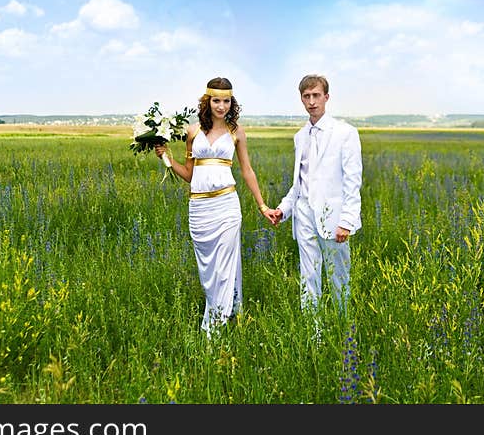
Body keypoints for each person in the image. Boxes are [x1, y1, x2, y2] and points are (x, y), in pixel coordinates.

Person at [155, 77, 275, 335]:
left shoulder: (237, 132)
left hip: (227, 206)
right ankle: (225, 311)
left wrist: (262, 205)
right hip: (199, 209)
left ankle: (214, 326)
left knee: (226, 265)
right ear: (207, 101)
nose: (221, 106)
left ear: (232, 103)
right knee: (208, 269)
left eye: (226, 101)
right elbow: (189, 174)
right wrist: (165, 157)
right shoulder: (192, 132)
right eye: (216, 100)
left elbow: (248, 171)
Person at [266, 74, 362, 315]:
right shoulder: (300, 136)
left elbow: (353, 182)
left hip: (334, 217)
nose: (312, 101)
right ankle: (313, 336)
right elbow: (299, 183)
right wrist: (284, 209)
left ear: (326, 97)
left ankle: (343, 327)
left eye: (316, 95)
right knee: (308, 276)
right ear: (301, 99)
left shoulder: (345, 133)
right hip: (304, 214)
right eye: (306, 96)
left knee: (339, 276)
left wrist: (347, 221)